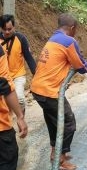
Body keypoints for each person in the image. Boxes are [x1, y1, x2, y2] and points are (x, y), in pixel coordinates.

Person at [30, 13, 87, 170]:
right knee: (69, 122)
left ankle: (55, 153)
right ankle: (61, 159)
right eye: (75, 29)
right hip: (49, 91)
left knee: (54, 122)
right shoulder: (69, 41)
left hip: (38, 89)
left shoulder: (52, 39)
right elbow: (80, 66)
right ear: (72, 28)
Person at [0, 14, 36, 115]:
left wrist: (36, 75)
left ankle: (21, 118)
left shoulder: (21, 38)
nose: (7, 32)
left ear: (14, 27)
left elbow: (29, 58)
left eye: (9, 29)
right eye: (4, 29)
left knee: (19, 98)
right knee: (5, 104)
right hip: (3, 77)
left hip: (18, 75)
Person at [0, 42, 28, 170]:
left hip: (18, 75)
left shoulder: (19, 39)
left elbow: (28, 57)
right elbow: (5, 85)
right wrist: (20, 117)